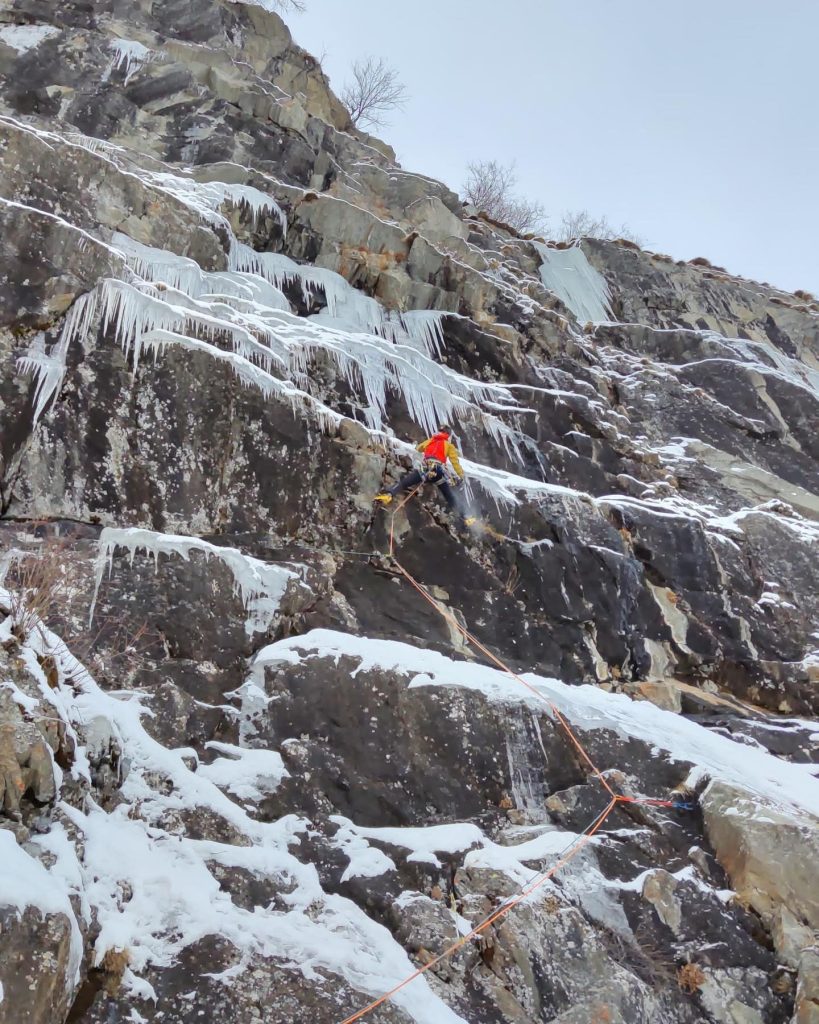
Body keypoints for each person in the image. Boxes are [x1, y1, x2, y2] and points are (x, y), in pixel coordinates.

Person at [375, 427, 467, 519]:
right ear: (448, 435)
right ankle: (465, 517)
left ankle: (389, 494)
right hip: (437, 471)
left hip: (425, 469)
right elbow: (455, 462)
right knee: (449, 495)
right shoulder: (449, 446)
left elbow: (419, 448)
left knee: (405, 482)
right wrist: (461, 475)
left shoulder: (431, 440)